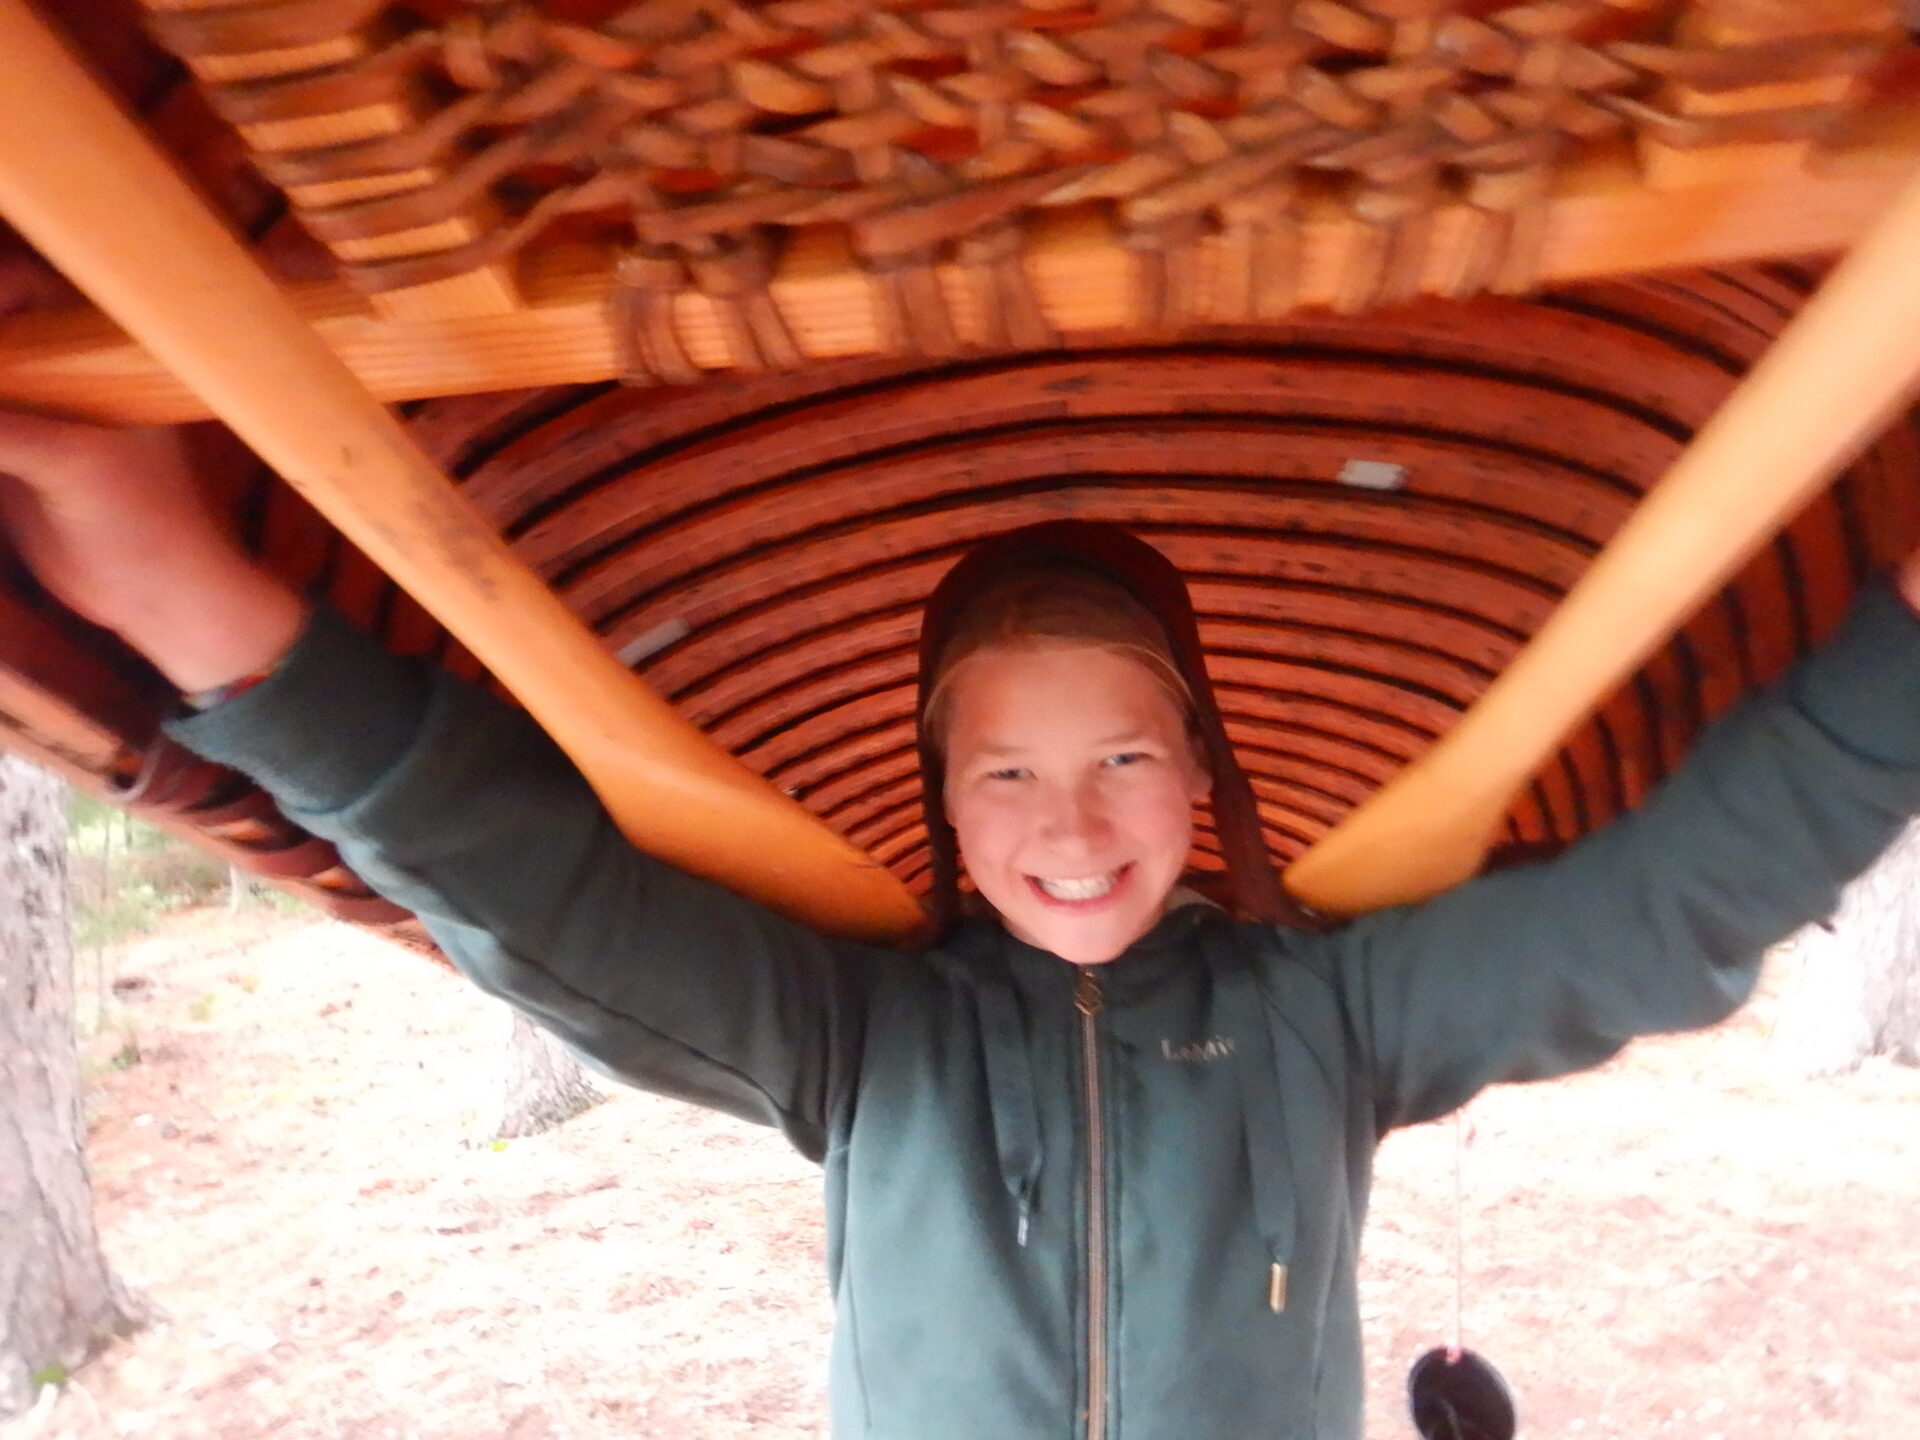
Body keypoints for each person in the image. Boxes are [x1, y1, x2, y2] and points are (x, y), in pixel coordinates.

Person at [6, 404, 1920, 1440]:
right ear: (936, 797)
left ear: (1204, 779)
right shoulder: (858, 1038)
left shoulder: (1336, 1014)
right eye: (1002, 772)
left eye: (1124, 760)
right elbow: (533, 899)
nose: (1071, 829)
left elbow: (1665, 908)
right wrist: (198, 606)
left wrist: (1897, 663)